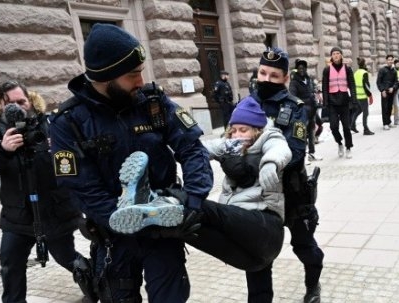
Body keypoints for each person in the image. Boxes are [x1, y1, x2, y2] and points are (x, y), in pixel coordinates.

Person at [48, 24, 213, 303]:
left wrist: (193, 198)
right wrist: (123, 218)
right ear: (105, 77)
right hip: (114, 239)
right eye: (132, 74)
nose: (142, 79)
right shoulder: (67, 123)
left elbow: (191, 148)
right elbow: (80, 187)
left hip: (163, 233)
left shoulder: (153, 103)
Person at [108, 97, 291, 273]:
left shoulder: (269, 139)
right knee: (187, 225)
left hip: (266, 231)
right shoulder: (229, 146)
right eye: (233, 130)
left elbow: (280, 149)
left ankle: (162, 199)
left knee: (202, 208)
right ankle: (147, 209)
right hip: (246, 254)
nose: (237, 135)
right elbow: (200, 149)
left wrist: (270, 163)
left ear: (257, 130)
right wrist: (160, 151)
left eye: (243, 130)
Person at [0, 80, 86, 303]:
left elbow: (74, 158)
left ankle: (95, 286)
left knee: (66, 256)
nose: (17, 108)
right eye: (10, 104)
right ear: (0, 105)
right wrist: (2, 150)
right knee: (10, 259)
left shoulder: (49, 124)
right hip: (18, 212)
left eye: (21, 102)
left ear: (31, 100)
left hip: (54, 208)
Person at [248, 47, 325, 303]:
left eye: (274, 75)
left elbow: (294, 153)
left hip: (293, 194)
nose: (266, 79)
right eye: (262, 73)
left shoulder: (296, 108)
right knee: (257, 259)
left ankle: (312, 281)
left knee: (304, 247)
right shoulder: (248, 104)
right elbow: (234, 140)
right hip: (258, 197)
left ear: (285, 78)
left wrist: (255, 161)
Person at [322, 46, 357, 158]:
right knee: (333, 127)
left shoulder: (347, 69)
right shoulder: (327, 70)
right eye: (334, 54)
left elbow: (352, 85)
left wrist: (354, 99)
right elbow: (324, 87)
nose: (336, 55)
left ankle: (348, 147)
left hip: (344, 101)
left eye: (338, 53)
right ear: (331, 56)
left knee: (346, 127)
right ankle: (340, 143)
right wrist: (325, 103)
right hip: (332, 102)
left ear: (341, 55)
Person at [289, 59, 323, 160]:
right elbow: (292, 96)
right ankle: (301, 157)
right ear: (297, 70)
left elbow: (312, 92)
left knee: (311, 132)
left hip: (312, 111)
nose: (301, 70)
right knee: (301, 135)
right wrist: (301, 106)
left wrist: (314, 98)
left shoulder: (308, 79)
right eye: (299, 68)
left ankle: (311, 153)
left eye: (303, 68)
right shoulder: (294, 82)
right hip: (302, 112)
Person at [350, 57, 374, 135]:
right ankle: (365, 129)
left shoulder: (356, 72)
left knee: (359, 110)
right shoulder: (364, 73)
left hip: (357, 96)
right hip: (363, 96)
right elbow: (366, 86)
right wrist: (370, 96)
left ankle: (352, 125)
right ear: (364, 64)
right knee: (365, 113)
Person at [376, 54, 399, 131]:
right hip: (384, 92)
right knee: (385, 107)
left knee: (389, 107)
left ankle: (389, 122)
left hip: (391, 91)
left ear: (393, 61)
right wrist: (382, 90)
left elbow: (396, 82)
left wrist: (393, 88)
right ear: (386, 61)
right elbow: (378, 82)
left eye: (391, 60)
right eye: (389, 60)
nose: (390, 61)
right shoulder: (382, 70)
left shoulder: (394, 71)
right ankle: (385, 123)